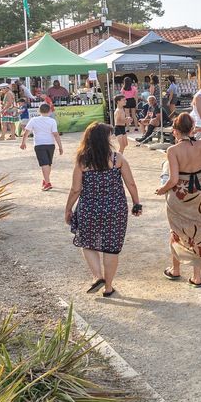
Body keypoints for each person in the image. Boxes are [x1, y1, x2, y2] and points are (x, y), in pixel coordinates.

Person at [65, 122, 141, 297]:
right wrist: (136, 203)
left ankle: (97, 276)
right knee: (111, 248)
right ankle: (108, 287)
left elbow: (76, 189)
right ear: (105, 139)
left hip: (89, 208)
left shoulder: (82, 161)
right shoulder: (117, 159)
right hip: (115, 209)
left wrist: (68, 209)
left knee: (87, 243)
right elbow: (130, 183)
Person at [156, 113, 201, 287]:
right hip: (199, 194)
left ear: (175, 131)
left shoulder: (173, 150)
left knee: (177, 231)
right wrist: (197, 129)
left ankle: (176, 270)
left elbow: (173, 180)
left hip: (180, 196)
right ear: (191, 129)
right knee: (200, 232)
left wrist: (161, 190)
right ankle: (197, 277)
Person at [21, 102, 63, 191]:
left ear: (39, 111)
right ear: (49, 111)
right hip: (50, 144)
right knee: (48, 163)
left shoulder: (34, 120)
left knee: (44, 164)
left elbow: (26, 132)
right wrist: (60, 146)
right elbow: (56, 134)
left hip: (39, 144)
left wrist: (23, 142)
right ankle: (46, 180)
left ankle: (47, 183)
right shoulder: (52, 121)